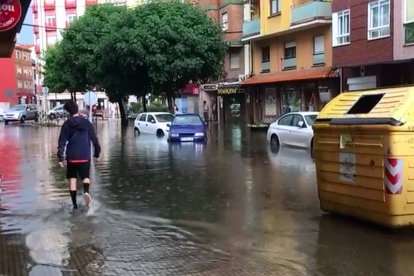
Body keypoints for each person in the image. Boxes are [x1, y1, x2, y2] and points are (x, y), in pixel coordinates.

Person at [57, 101, 101, 210]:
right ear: (78, 110)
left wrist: (60, 157)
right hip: (85, 156)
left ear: (68, 112)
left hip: (72, 156)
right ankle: (86, 192)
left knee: (72, 179)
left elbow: (61, 142)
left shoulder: (66, 124)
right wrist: (97, 153)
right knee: (85, 177)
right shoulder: (87, 123)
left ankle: (75, 205)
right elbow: (94, 140)